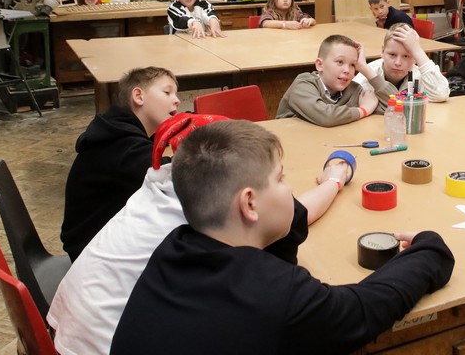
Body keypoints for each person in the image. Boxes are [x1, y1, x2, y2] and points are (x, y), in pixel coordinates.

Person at [109, 119, 455, 355]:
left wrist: (324, 188)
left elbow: (281, 234)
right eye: (280, 179)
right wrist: (430, 250)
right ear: (249, 203)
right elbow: (365, 309)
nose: (289, 189)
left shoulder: (172, 249)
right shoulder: (278, 295)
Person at [48, 113, 355, 355]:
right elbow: (300, 215)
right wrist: (334, 180)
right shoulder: (206, 211)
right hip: (101, 345)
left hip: (69, 328)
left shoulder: (160, 182)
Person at [60, 67, 180, 261]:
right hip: (94, 254)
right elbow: (169, 175)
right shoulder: (120, 142)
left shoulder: (118, 129)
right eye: (167, 92)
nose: (176, 100)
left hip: (105, 241)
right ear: (138, 96)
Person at [275, 34, 390, 125]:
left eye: (353, 65)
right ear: (320, 65)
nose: (347, 70)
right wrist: (363, 110)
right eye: (340, 62)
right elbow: (326, 116)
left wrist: (365, 68)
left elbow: (393, 107)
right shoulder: (303, 85)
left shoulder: (353, 89)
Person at [353, 23, 449, 102]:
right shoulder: (366, 77)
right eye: (392, 54)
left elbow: (440, 95)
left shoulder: (418, 75)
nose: (398, 63)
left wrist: (417, 50)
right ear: (383, 51)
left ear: (415, 57)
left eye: (406, 56)